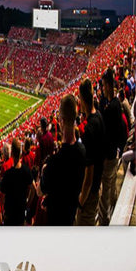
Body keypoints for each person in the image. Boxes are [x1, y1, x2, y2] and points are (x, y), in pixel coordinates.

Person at [38, 94, 86, 226]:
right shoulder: (82, 151)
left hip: (56, 221)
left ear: (61, 121)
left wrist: (43, 172)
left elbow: (40, 191)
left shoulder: (54, 163)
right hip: (71, 216)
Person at [75, 79, 106, 226]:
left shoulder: (88, 129)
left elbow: (89, 172)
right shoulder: (99, 115)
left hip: (90, 192)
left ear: (82, 98)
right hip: (98, 183)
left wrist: (80, 202)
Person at [99, 69, 127, 225]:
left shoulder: (112, 107)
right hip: (114, 154)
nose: (103, 88)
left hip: (109, 156)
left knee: (104, 197)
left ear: (109, 85)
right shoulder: (115, 104)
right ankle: (115, 207)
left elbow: (108, 134)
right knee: (112, 187)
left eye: (104, 85)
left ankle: (105, 223)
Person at [0, 139, 33, 226]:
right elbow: (33, 189)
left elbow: (1, 198)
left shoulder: (7, 174)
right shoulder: (26, 171)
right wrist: (28, 203)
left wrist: (2, 211)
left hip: (10, 213)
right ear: (21, 153)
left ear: (12, 154)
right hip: (21, 211)